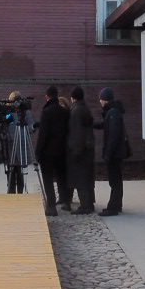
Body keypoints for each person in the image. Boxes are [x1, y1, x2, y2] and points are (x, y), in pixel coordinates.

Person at [35, 85, 69, 215]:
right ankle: (65, 201)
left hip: (48, 152)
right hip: (62, 149)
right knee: (61, 176)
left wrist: (38, 151)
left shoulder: (46, 112)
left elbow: (43, 134)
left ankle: (51, 205)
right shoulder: (65, 112)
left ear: (46, 97)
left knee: (48, 178)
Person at [99, 88, 129, 216]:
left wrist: (108, 154)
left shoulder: (113, 113)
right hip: (116, 152)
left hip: (114, 153)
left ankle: (113, 207)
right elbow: (105, 126)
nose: (99, 101)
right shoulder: (113, 112)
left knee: (114, 180)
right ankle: (116, 205)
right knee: (116, 179)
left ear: (104, 99)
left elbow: (113, 136)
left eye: (101, 98)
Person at [66, 85, 96, 214]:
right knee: (87, 177)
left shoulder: (76, 111)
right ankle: (89, 203)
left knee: (80, 177)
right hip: (88, 148)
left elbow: (77, 132)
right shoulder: (85, 108)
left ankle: (85, 206)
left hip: (80, 149)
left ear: (72, 98)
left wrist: (76, 150)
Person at [5, 92, 34, 194]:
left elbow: (30, 127)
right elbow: (8, 128)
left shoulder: (26, 112)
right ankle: (11, 193)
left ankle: (20, 193)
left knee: (20, 172)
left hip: (21, 145)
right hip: (11, 146)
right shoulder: (8, 112)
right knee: (11, 172)